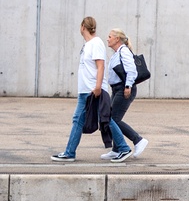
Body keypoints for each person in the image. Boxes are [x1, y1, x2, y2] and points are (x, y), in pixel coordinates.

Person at [51, 17, 132, 163]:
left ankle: (123, 147)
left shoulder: (96, 43)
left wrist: (97, 87)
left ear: (83, 27)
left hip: (93, 90)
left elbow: (100, 66)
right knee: (79, 120)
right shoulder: (87, 44)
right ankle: (70, 152)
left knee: (103, 119)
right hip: (85, 91)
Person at [100, 28, 149, 160]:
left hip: (124, 89)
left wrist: (128, 86)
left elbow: (131, 70)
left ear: (117, 39)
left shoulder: (124, 51)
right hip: (117, 89)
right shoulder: (117, 53)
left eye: (110, 36)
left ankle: (138, 140)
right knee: (112, 118)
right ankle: (116, 149)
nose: (107, 39)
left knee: (112, 119)